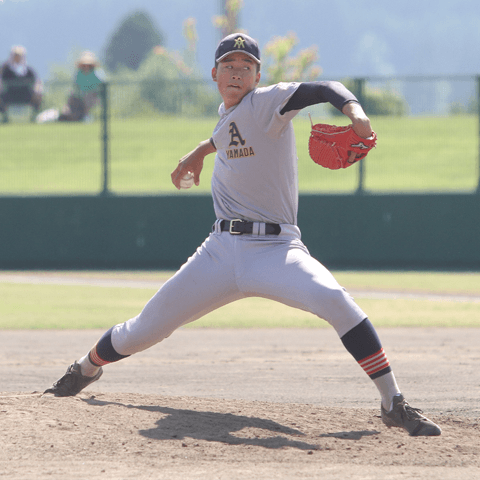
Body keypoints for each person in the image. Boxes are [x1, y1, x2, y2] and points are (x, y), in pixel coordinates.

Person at [44, 33, 441, 437]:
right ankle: (86, 367)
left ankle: (393, 401)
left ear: (257, 76)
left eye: (246, 67)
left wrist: (354, 110)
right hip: (219, 251)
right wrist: (198, 153)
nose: (237, 72)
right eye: (229, 66)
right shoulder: (227, 113)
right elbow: (227, 133)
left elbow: (323, 88)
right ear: (214, 74)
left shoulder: (268, 102)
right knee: (145, 329)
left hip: (276, 249)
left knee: (336, 301)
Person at [57, 51, 105, 122]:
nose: (86, 67)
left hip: (93, 97)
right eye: (84, 65)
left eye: (88, 65)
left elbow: (102, 87)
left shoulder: (97, 74)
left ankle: (86, 116)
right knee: (71, 99)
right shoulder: (78, 74)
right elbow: (75, 87)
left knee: (87, 98)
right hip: (80, 96)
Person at [0, 45, 43, 123]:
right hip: (10, 95)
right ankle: (5, 117)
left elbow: (37, 82)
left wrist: (38, 90)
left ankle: (34, 117)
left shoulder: (28, 70)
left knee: (38, 96)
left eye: (19, 55)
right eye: (15, 55)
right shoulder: (5, 70)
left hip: (26, 95)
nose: (17, 57)